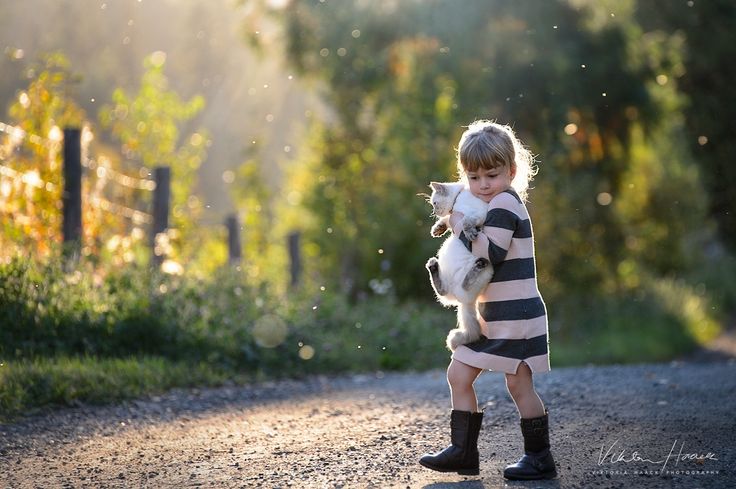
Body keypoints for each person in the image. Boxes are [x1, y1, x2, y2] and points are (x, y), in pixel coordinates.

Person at [419, 120, 556, 480]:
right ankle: (463, 452)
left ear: (511, 171)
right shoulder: (486, 201)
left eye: (491, 175)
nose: (482, 185)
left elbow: (490, 253)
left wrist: (459, 223)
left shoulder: (506, 203)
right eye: (474, 177)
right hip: (492, 314)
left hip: (518, 313)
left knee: (518, 384)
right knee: (458, 374)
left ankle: (539, 457)